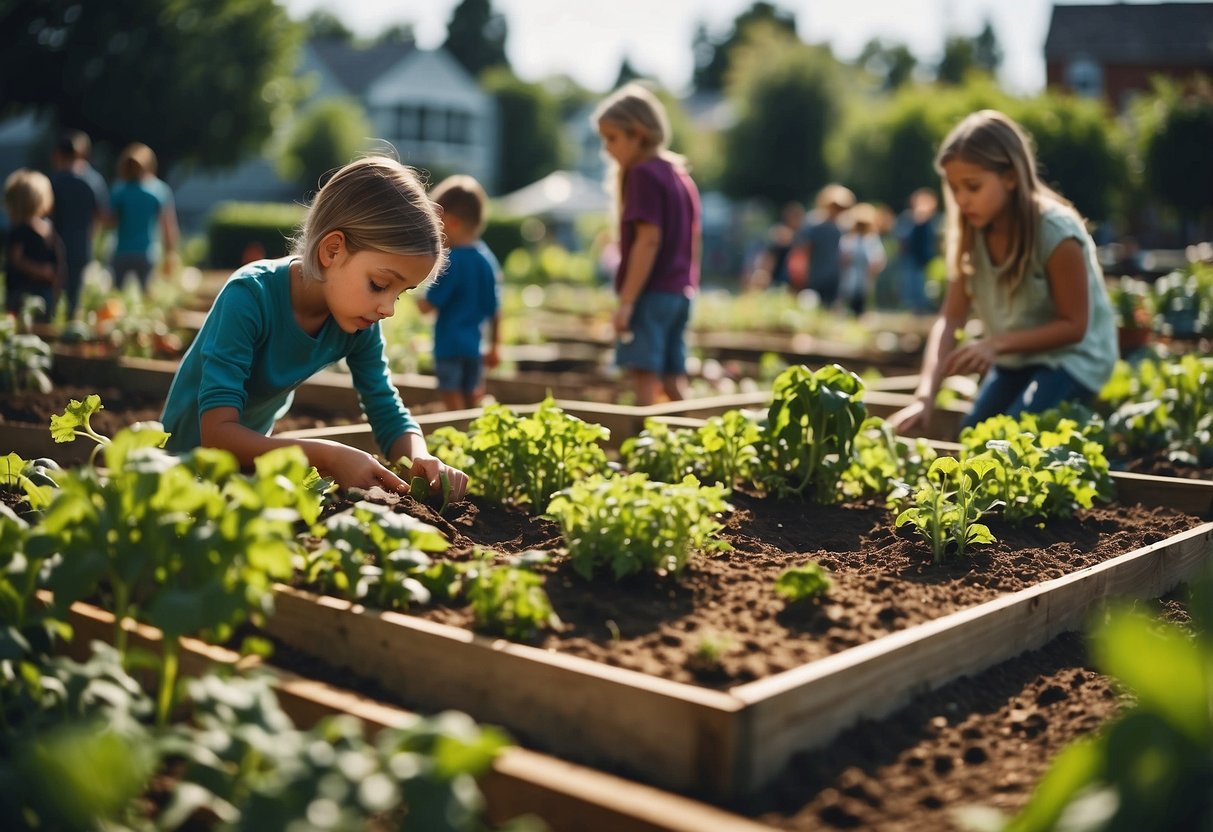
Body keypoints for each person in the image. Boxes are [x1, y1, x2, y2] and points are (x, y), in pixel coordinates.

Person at [160, 156, 468, 499]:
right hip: (175, 466)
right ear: (332, 250)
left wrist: (420, 456)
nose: (388, 308)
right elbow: (217, 436)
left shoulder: (358, 325)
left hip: (248, 468)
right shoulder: (250, 296)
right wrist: (330, 455)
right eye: (381, 284)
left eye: (402, 292)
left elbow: (386, 409)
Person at [889, 109, 1118, 437]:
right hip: (1016, 357)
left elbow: (1075, 325)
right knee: (972, 438)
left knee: (1013, 440)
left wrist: (995, 345)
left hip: (1075, 359)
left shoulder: (1055, 231)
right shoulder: (970, 236)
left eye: (972, 186)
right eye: (955, 189)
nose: (962, 200)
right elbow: (950, 319)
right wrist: (925, 397)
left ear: (1010, 176)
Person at [593, 81, 702, 407]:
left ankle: (644, 445)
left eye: (612, 138)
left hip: (651, 295)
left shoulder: (643, 174)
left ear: (638, 133)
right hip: (680, 293)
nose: (607, 149)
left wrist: (627, 301)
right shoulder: (680, 175)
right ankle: (700, 442)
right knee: (672, 378)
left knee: (643, 375)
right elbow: (694, 240)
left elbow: (648, 240)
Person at [415, 174, 501, 411]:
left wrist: (415, 293)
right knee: (471, 393)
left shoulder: (452, 261)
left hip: (449, 345)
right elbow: (496, 309)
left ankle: (459, 430)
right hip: (474, 347)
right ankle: (472, 433)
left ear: (450, 223)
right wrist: (495, 346)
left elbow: (427, 306)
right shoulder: (487, 260)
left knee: (450, 393)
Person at [49, 129, 109, 320]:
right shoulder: (93, 180)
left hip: (54, 246)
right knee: (74, 301)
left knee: (52, 297)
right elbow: (103, 216)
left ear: (59, 153)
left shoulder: (54, 180)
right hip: (82, 245)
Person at [109, 142, 178, 293]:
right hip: (147, 251)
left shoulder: (119, 190)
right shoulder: (159, 190)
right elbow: (168, 226)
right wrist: (170, 254)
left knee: (116, 296)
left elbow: (110, 222)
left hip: (121, 251)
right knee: (146, 297)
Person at [4, 168, 65, 323]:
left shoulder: (48, 230)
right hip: (22, 292)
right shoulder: (20, 230)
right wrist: (41, 271)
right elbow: (16, 260)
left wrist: (56, 287)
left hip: (44, 292)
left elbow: (58, 263)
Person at [794, 183, 854, 304]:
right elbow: (804, 249)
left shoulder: (844, 226)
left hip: (835, 276)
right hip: (814, 274)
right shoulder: (814, 223)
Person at [895, 187, 939, 314]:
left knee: (920, 283)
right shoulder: (908, 218)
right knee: (910, 283)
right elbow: (903, 238)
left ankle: (919, 307)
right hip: (910, 258)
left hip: (922, 258)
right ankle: (912, 307)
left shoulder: (929, 222)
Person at [838, 202, 887, 316]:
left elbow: (878, 260)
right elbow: (842, 258)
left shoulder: (871, 240)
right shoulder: (848, 239)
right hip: (849, 278)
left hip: (864, 279)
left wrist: (872, 269)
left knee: (862, 304)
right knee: (847, 303)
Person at [747, 200, 805, 291]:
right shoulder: (778, 234)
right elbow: (767, 258)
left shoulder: (800, 236)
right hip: (777, 279)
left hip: (789, 279)